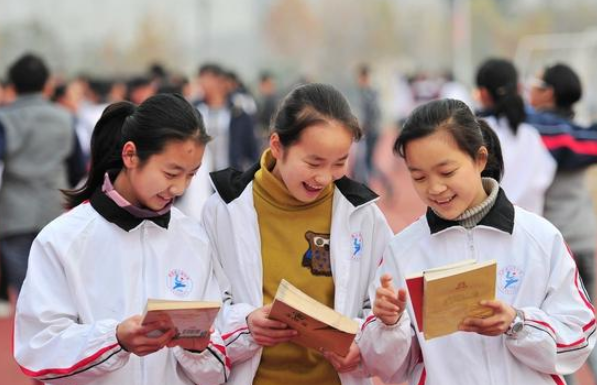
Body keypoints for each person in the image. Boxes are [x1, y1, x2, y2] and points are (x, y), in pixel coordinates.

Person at [358, 99, 596, 385]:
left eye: (447, 172)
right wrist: (389, 324)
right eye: (418, 177)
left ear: (479, 159)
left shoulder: (539, 238)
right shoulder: (403, 251)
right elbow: (384, 367)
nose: (434, 188)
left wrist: (518, 323)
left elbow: (579, 336)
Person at [14, 93, 232, 385]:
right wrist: (115, 339)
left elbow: (217, 368)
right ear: (130, 155)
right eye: (171, 172)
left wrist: (198, 349)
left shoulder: (193, 238)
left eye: (191, 175)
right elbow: (37, 349)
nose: (179, 187)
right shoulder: (62, 239)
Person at [202, 83, 393, 385]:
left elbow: (381, 309)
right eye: (313, 162)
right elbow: (205, 306)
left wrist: (363, 343)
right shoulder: (223, 210)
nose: (324, 177)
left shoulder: (364, 216)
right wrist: (246, 324)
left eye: (339, 163)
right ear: (277, 146)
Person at [526, 63, 597, 385]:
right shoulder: (582, 134)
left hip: (553, 243)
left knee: (552, 329)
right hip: (586, 237)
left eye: (536, 83)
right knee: (588, 323)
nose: (529, 89)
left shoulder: (536, 132)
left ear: (549, 93)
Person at [0, 53, 85, 308]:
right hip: (54, 205)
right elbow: (78, 163)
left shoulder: (5, 119)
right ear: (48, 84)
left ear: (12, 85)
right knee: (54, 281)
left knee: (26, 287)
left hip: (14, 211)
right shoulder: (65, 117)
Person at [475, 58, 556, 215]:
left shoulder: (472, 133)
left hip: (486, 227)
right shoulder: (532, 135)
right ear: (519, 88)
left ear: (483, 94)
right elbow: (545, 176)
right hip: (531, 229)